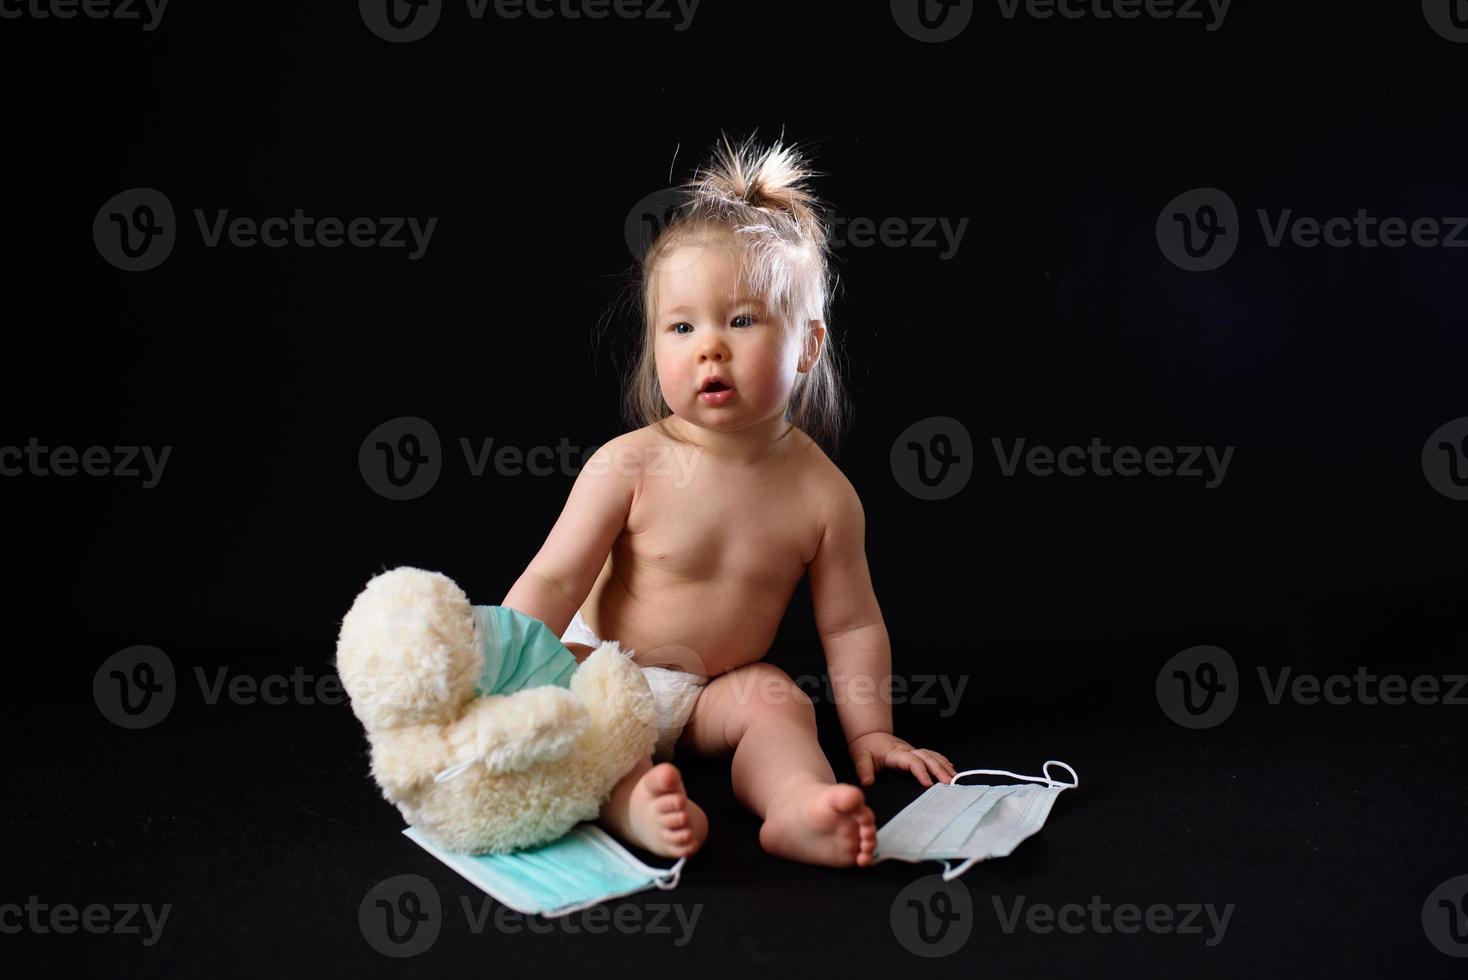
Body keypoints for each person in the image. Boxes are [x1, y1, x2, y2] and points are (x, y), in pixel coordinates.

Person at [501, 133, 955, 868]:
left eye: (740, 321)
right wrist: (505, 667)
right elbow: (554, 579)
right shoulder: (631, 464)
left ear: (806, 347)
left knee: (779, 704)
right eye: (682, 328)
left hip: (710, 694)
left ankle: (797, 806)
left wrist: (872, 731)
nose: (708, 348)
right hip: (603, 664)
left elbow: (850, 624)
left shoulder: (823, 495)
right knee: (579, 722)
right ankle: (636, 806)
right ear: (655, 348)